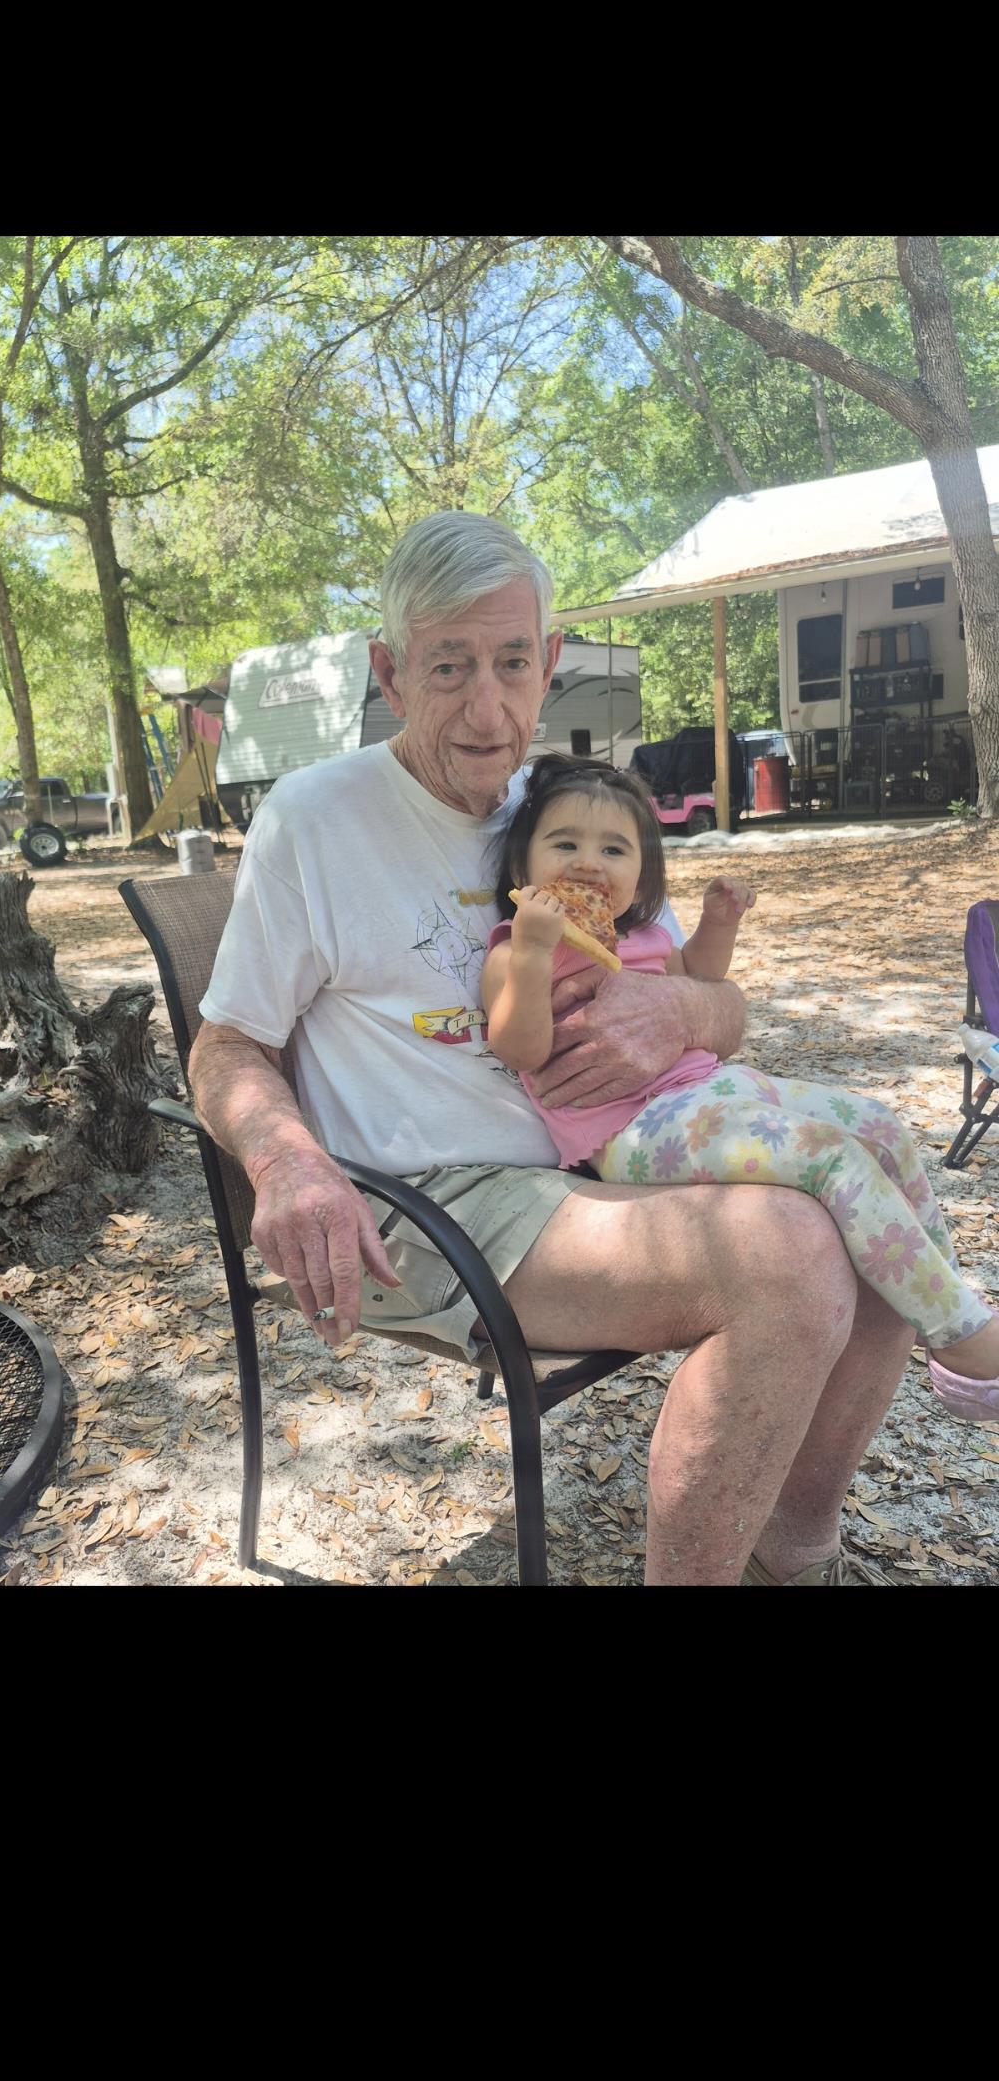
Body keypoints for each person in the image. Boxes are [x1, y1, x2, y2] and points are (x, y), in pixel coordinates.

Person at [188, 509, 924, 1586]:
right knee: (792, 1257)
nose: (488, 709)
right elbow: (226, 1047)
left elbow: (711, 1002)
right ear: (390, 675)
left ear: (552, 664)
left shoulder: (567, 808)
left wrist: (690, 1017)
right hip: (435, 1199)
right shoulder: (315, 819)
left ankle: (795, 1541)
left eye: (511, 662)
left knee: (886, 1174)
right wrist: (286, 1161)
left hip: (612, 1154)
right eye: (449, 667)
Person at [481, 754, 999, 1428]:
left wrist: (718, 921)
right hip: (633, 1130)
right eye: (564, 844)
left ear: (642, 873)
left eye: (613, 848)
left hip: (714, 1087)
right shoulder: (511, 950)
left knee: (879, 1128)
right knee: (831, 1158)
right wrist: (530, 951)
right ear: (523, 868)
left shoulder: (635, 935)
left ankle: (948, 1292)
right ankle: (961, 1338)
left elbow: (696, 974)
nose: (587, 862)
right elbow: (516, 1046)